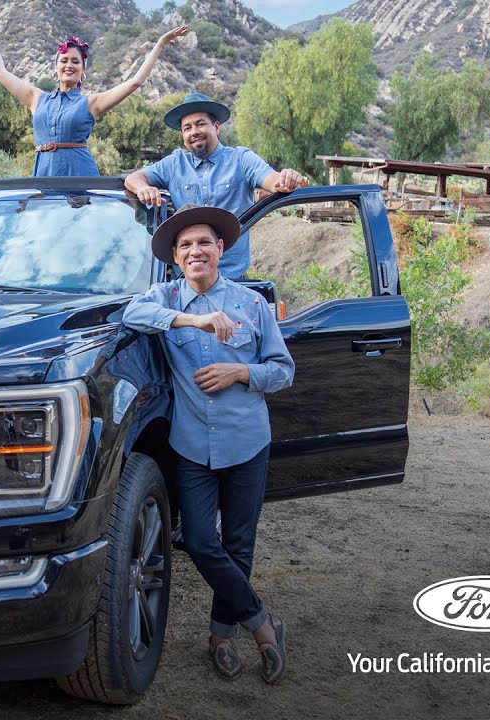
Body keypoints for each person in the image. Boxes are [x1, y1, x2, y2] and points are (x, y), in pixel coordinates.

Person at [122, 204, 295, 683]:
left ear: (221, 249)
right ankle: (263, 621)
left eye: (203, 243)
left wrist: (242, 371)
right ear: (176, 258)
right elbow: (131, 312)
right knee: (199, 540)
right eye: (185, 246)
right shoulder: (165, 297)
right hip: (192, 445)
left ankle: (220, 636)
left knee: (238, 543)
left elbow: (283, 370)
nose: (195, 251)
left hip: (247, 442)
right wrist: (191, 322)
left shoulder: (252, 304)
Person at [0, 13, 187, 177]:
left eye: (76, 62)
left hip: (80, 176)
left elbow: (135, 82)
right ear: (55, 67)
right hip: (43, 175)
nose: (69, 65)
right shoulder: (36, 98)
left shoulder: (91, 103)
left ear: (83, 70)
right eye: (64, 60)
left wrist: (159, 44)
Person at [124, 93, 310, 278]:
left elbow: (273, 181)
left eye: (200, 124)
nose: (194, 131)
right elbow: (133, 179)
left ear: (216, 127)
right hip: (186, 280)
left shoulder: (241, 159)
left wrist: (287, 179)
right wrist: (143, 188)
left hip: (233, 280)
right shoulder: (174, 163)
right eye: (187, 128)